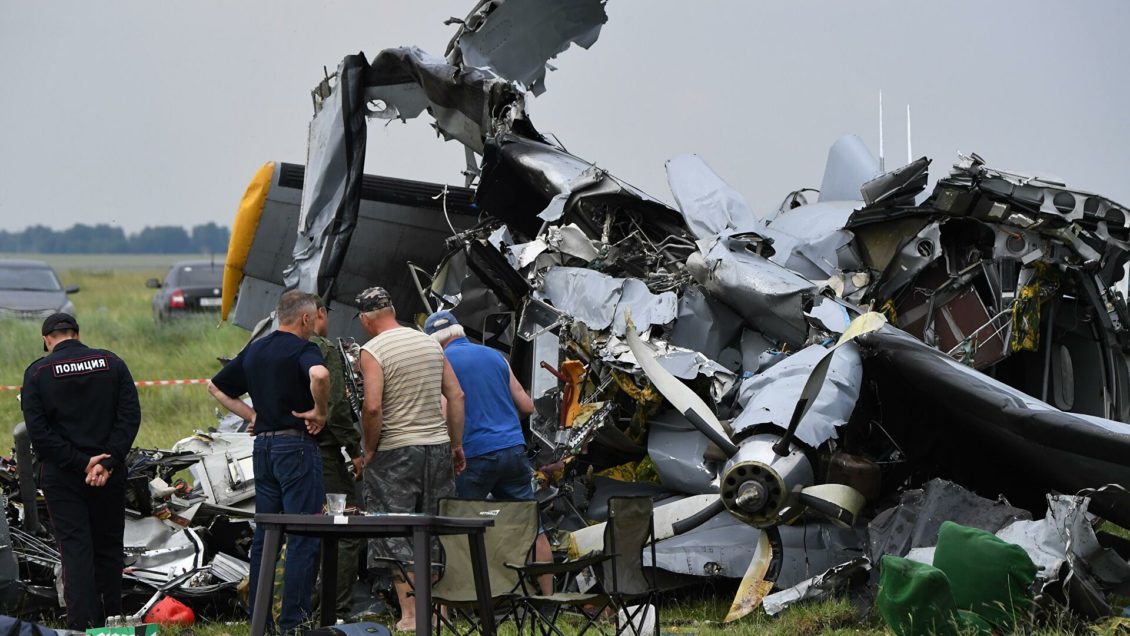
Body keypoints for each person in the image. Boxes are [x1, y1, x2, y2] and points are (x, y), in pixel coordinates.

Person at [207, 290, 330, 633]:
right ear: (305, 318)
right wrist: (319, 411)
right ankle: (294, 622)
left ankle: (260, 621)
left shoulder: (256, 349)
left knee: (267, 537)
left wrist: (254, 416)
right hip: (296, 448)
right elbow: (319, 376)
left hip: (262, 449)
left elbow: (216, 387)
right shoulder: (304, 349)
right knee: (303, 533)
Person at [20, 313, 141, 630]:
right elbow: (129, 417)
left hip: (64, 477)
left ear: (47, 339)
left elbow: (39, 434)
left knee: (76, 549)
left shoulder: (38, 373)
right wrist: (106, 461)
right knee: (110, 548)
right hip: (110, 474)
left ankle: (81, 625)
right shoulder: (112, 363)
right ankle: (113, 620)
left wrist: (80, 463)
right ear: (76, 334)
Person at [355, 287, 465, 632]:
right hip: (436, 447)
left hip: (395, 451)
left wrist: (369, 450)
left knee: (395, 530)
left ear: (364, 319)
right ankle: (439, 614)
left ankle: (412, 616)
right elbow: (456, 395)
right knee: (434, 527)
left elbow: (372, 407)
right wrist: (455, 445)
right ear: (393, 308)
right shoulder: (429, 342)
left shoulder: (372, 350)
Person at [423, 310, 554, 595]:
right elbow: (528, 406)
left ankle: (460, 600)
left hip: (471, 456)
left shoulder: (439, 362)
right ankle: (550, 598)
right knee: (531, 525)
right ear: (459, 331)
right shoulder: (496, 357)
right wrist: (502, 425)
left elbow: (446, 412)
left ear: (432, 341)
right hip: (512, 449)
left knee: (456, 529)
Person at [310, 295, 364, 618]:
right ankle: (334, 609)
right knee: (345, 528)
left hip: (292, 454)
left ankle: (299, 608)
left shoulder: (283, 348)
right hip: (326, 457)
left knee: (301, 530)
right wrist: (355, 449)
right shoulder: (325, 350)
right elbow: (337, 408)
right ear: (318, 313)